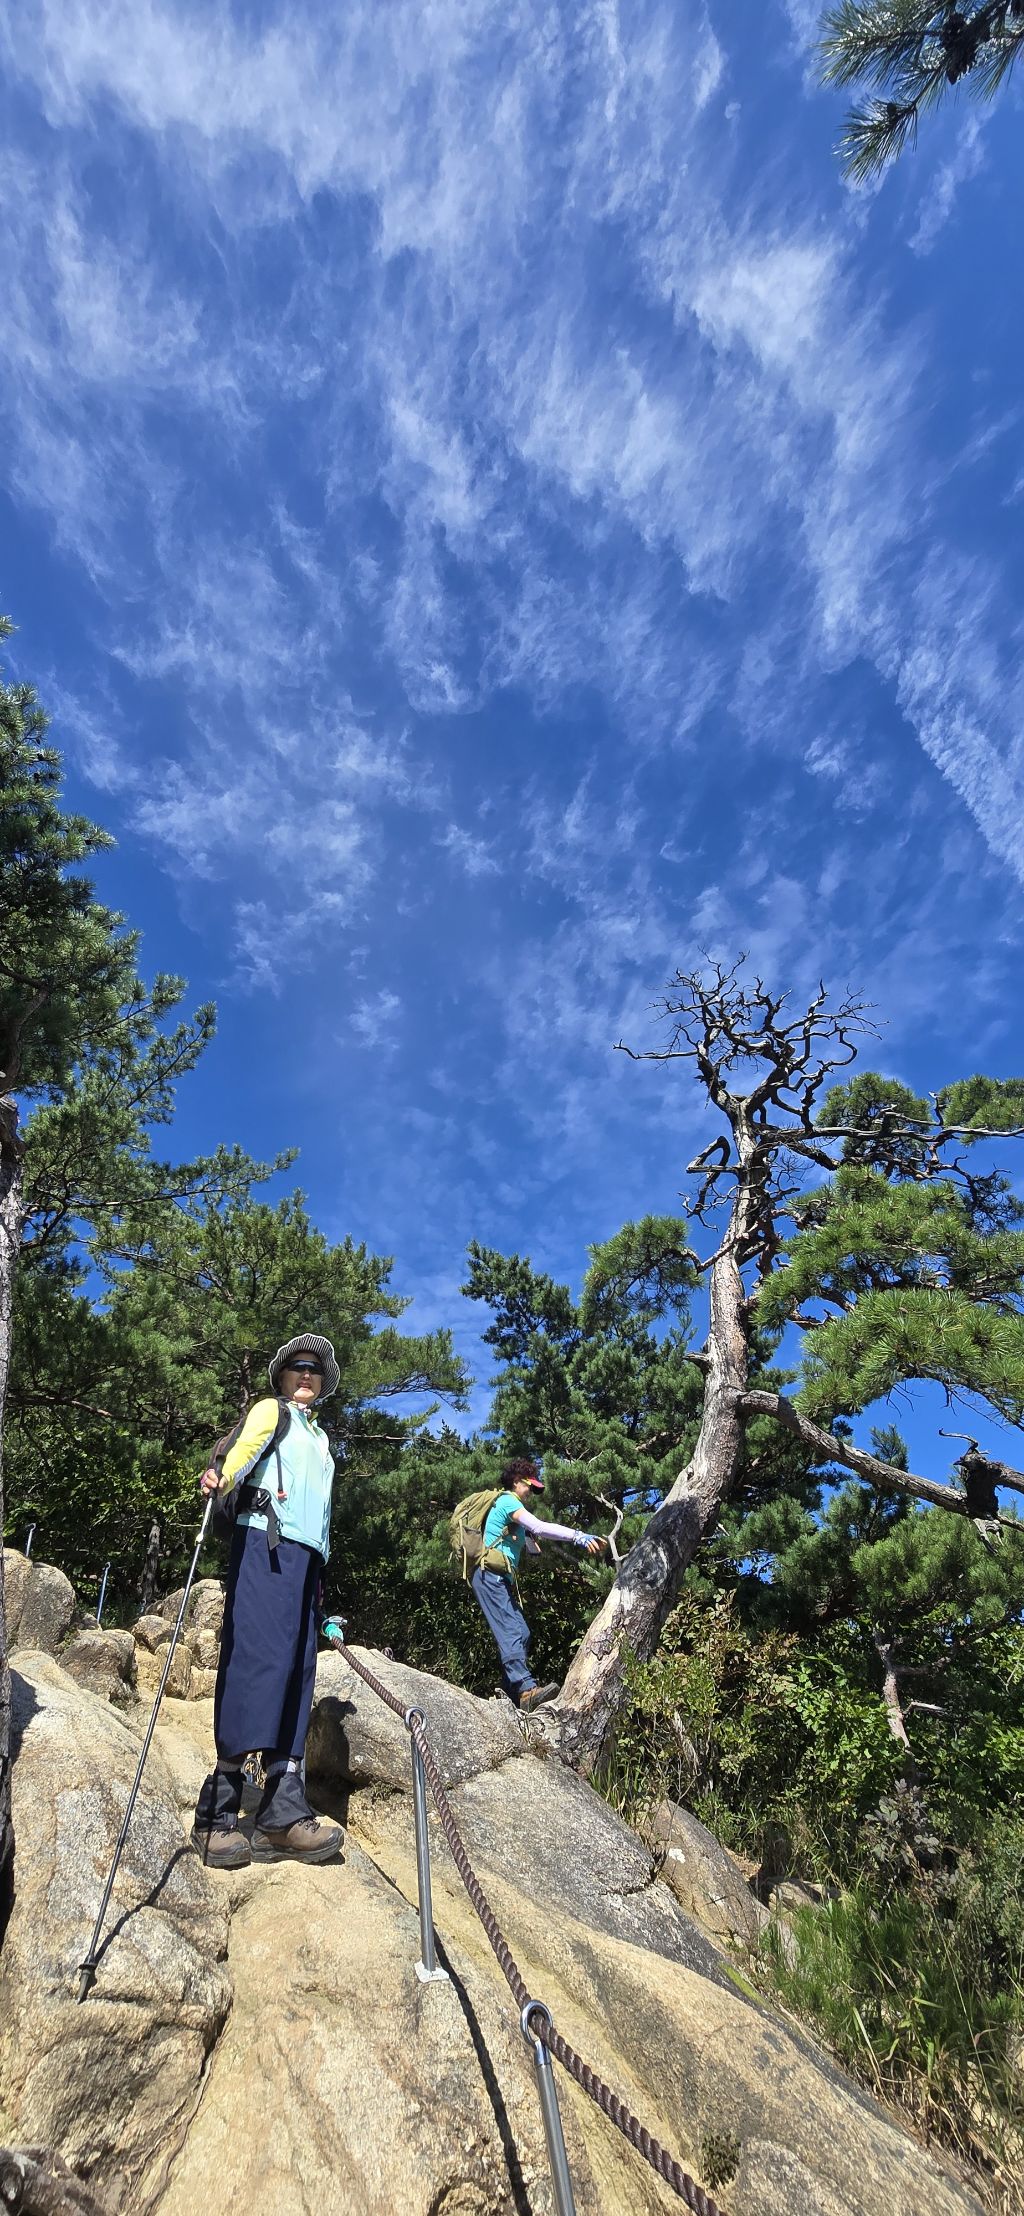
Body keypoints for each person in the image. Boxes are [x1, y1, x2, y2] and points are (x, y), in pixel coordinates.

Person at [191, 1333, 345, 1869]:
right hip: (265, 1545)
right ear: (281, 1377)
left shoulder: (319, 1437)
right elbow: (242, 1454)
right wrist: (221, 1476)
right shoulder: (271, 1411)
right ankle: (217, 1813)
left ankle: (281, 1812)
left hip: (305, 1560)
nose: (306, 1374)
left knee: (297, 1670)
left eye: (314, 1369)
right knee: (257, 1661)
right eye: (297, 1366)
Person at [471, 1457, 604, 1712]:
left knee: (522, 1632)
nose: (531, 1491)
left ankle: (509, 1694)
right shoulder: (508, 1500)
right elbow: (540, 1527)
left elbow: (529, 1534)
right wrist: (577, 1536)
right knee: (511, 1631)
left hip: (497, 1578)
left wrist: (527, 1538)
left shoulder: (510, 1509)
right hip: (489, 1576)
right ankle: (525, 1690)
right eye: (529, 1485)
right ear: (516, 1481)